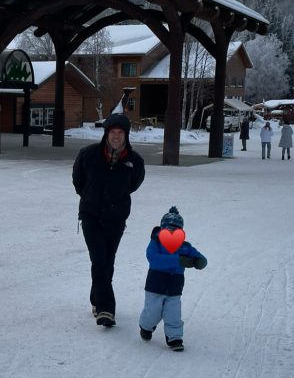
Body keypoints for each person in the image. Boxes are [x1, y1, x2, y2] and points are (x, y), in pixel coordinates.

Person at [72, 112, 145, 328]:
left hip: (116, 218)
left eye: (120, 132)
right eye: (112, 132)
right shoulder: (88, 155)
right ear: (106, 133)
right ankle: (106, 309)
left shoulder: (134, 161)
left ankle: (97, 298)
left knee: (107, 260)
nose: (116, 136)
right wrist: (91, 198)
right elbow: (78, 181)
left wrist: (115, 202)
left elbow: (133, 184)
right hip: (91, 215)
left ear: (126, 135)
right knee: (99, 259)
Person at [138, 206, 207, 352]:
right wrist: (178, 261)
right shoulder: (155, 243)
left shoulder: (185, 246)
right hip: (155, 284)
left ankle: (174, 338)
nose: (171, 232)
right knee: (152, 312)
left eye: (175, 230)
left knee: (173, 314)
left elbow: (196, 255)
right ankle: (146, 326)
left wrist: (199, 260)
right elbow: (154, 259)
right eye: (168, 229)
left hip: (175, 286)